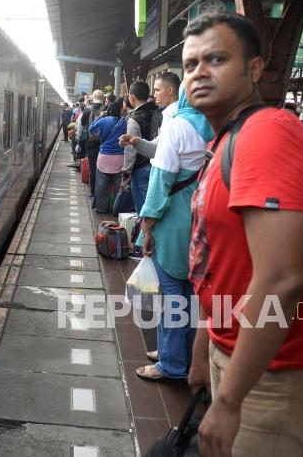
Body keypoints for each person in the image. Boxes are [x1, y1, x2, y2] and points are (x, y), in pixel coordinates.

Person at [183, 11, 303, 457]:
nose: (199, 71)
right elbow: (218, 262)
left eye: (216, 59)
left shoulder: (267, 135)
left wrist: (230, 399)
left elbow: (281, 280)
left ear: (254, 70)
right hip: (240, 353)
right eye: (190, 64)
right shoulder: (226, 141)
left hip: (274, 367)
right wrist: (205, 348)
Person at [133, 82, 212, 382]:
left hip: (175, 224)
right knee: (192, 295)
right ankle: (182, 353)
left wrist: (148, 227)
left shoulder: (176, 126)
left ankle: (171, 364)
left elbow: (160, 183)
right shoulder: (217, 127)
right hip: (202, 221)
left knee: (171, 298)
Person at [121, 80, 162, 214]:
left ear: (131, 97)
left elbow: (130, 149)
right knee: (154, 208)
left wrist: (126, 174)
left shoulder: (134, 119)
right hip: (158, 166)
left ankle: (145, 234)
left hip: (141, 169)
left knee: (143, 211)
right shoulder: (159, 113)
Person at [89, 99, 127, 213]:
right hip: (120, 158)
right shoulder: (124, 122)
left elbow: (91, 128)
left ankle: (101, 209)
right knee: (117, 187)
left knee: (101, 186)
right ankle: (116, 210)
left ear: (108, 110)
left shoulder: (104, 120)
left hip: (104, 157)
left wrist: (100, 116)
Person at [82, 90, 106, 200]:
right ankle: (102, 193)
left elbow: (82, 123)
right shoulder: (106, 109)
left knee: (93, 167)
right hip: (104, 143)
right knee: (102, 169)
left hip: (91, 143)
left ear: (93, 98)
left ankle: (93, 192)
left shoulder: (88, 109)